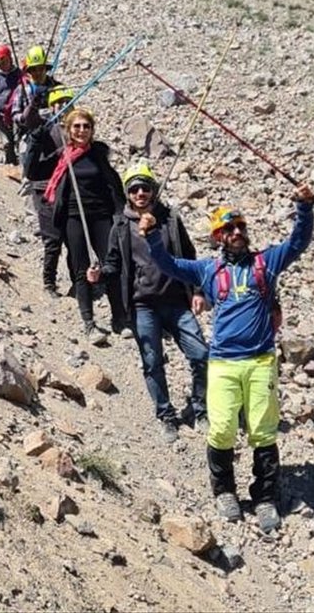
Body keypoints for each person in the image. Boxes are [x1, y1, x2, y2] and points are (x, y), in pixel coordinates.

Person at [139, 182, 314, 532]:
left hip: (261, 361)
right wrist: (151, 235)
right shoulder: (208, 270)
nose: (237, 233)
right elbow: (168, 264)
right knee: (221, 429)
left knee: (263, 432)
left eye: (241, 227)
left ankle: (265, 497)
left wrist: (305, 208)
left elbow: (298, 242)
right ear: (218, 237)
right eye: (228, 229)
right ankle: (224, 491)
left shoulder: (266, 262)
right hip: (222, 363)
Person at [87, 162, 208, 445]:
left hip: (177, 302)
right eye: (134, 189)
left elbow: (191, 257)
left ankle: (200, 410)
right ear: (128, 194)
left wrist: (199, 290)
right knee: (152, 362)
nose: (141, 193)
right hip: (143, 306)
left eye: (145, 187)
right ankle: (166, 416)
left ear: (153, 190)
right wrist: (99, 274)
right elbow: (114, 264)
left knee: (201, 356)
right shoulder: (120, 225)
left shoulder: (170, 220)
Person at [45, 106, 127, 345]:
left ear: (92, 130)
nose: (82, 130)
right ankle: (89, 322)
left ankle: (119, 318)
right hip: (73, 215)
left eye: (86, 126)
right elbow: (33, 168)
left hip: (101, 214)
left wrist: (119, 212)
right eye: (77, 126)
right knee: (81, 268)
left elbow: (113, 184)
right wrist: (37, 138)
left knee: (111, 265)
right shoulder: (62, 156)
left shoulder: (98, 155)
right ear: (69, 130)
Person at [20, 86, 75, 296]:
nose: (63, 107)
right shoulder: (45, 125)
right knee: (52, 241)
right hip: (45, 189)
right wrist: (34, 103)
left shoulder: (75, 130)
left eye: (67, 102)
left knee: (73, 240)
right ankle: (49, 283)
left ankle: (77, 283)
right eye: (59, 103)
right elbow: (28, 119)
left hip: (69, 190)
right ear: (52, 106)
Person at [11, 45, 58, 145]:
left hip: (53, 134)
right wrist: (24, 117)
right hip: (28, 136)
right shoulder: (21, 89)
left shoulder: (57, 87)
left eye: (41, 68)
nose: (38, 72)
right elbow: (14, 114)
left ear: (46, 69)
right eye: (34, 69)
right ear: (29, 71)